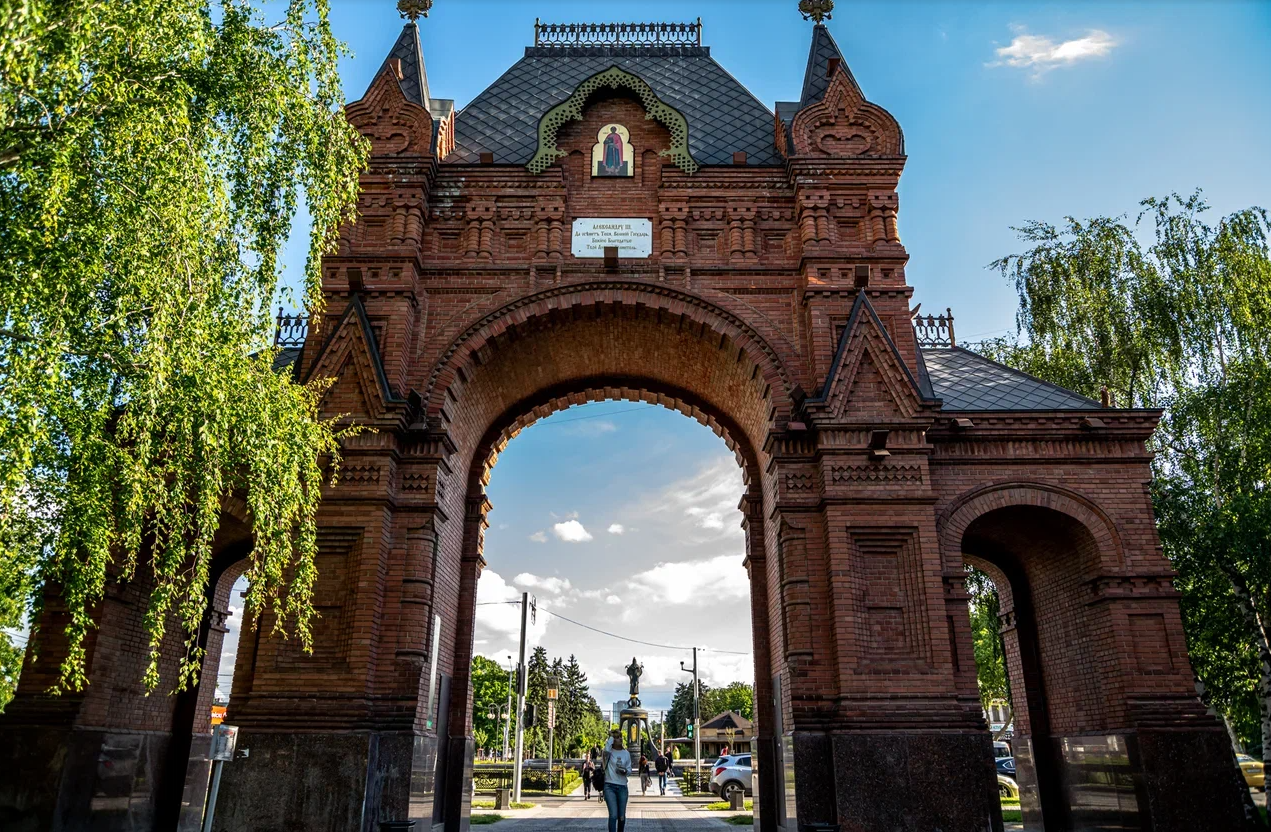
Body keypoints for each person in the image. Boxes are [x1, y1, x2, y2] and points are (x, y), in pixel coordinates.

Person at [602, 731, 632, 832]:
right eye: (617, 737)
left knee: (621, 816)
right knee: (613, 815)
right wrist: (611, 737)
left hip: (622, 787)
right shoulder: (608, 752)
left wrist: (625, 771)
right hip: (609, 786)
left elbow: (629, 769)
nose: (620, 739)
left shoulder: (626, 753)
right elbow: (606, 749)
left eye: (620, 737)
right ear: (612, 740)